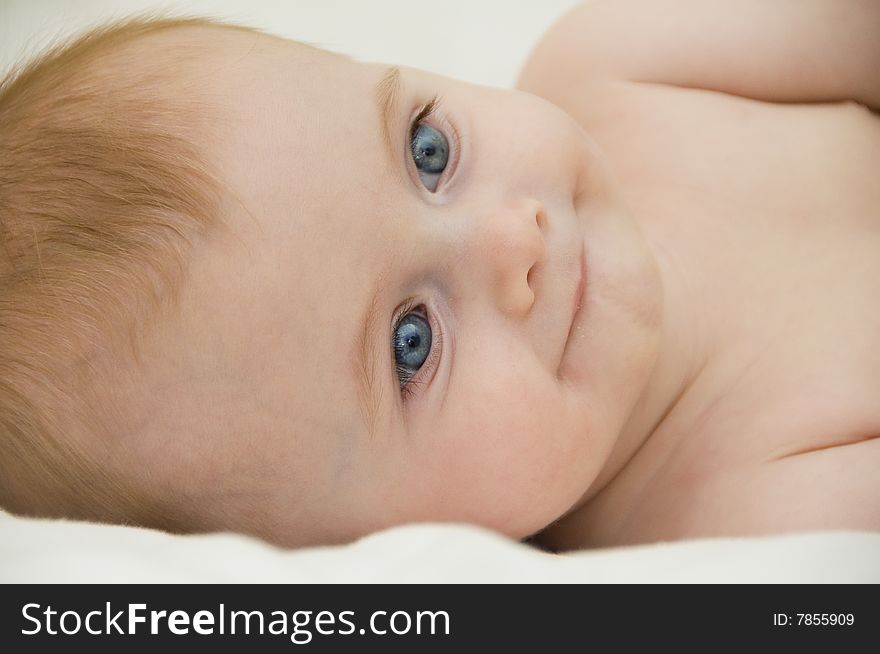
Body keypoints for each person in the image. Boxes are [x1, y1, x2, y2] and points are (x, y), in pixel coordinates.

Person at [0, 1, 877, 552]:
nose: (510, 241)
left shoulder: (619, 67)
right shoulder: (739, 522)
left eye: (430, 149)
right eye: (410, 343)